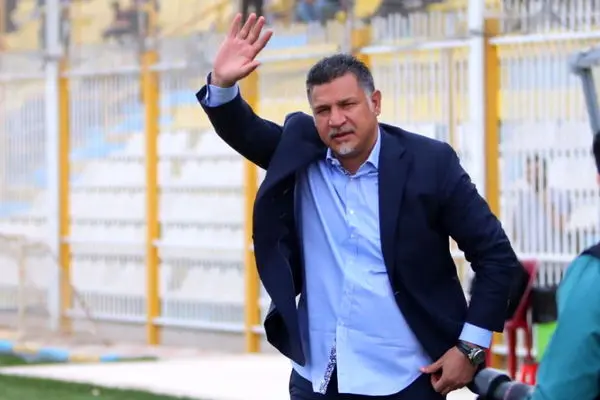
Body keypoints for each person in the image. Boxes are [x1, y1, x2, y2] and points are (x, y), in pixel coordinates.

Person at [197, 13, 519, 400]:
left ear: (375, 102)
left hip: (407, 376)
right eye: (323, 110)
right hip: (317, 378)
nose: (336, 120)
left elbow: (496, 256)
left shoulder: (430, 163)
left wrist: (471, 347)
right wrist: (222, 84)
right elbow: (245, 130)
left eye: (347, 104)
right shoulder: (301, 152)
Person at [526, 134, 600, 400]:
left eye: (537, 170)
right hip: (543, 277)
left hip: (561, 275)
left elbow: (560, 393)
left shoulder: (592, 277)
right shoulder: (522, 201)